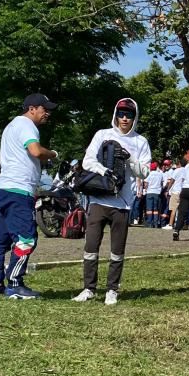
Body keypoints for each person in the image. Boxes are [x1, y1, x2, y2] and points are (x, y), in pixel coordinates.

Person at [73, 97, 151, 305]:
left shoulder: (140, 142)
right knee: (91, 245)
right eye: (121, 114)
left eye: (129, 115)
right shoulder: (102, 134)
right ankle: (89, 288)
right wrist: (106, 172)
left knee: (117, 249)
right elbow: (87, 161)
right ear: (115, 114)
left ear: (135, 118)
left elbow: (144, 173)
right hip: (99, 198)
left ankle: (112, 289)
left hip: (123, 202)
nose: (124, 119)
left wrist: (129, 158)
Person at [0, 95, 58, 299]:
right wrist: (52, 154)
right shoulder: (27, 125)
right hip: (19, 190)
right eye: (45, 109)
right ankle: (15, 284)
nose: (48, 113)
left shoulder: (11, 126)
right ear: (32, 109)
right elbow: (35, 151)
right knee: (26, 238)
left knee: (0, 239)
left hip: (3, 188)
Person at [143, 161, 165, 228]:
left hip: (149, 192)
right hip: (157, 193)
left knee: (149, 209)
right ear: (156, 168)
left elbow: (146, 184)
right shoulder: (160, 174)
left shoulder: (149, 174)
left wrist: (146, 189)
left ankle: (149, 223)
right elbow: (162, 184)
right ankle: (155, 223)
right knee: (156, 209)